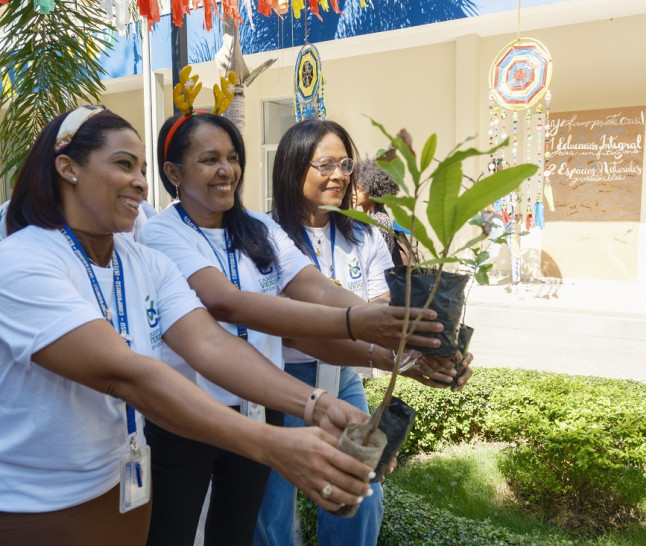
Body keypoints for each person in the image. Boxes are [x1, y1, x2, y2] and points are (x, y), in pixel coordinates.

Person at [0, 106, 376, 545]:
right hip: (31, 503)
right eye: (124, 164)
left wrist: (314, 403)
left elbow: (211, 344)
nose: (141, 181)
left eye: (141, 168)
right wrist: (271, 444)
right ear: (68, 168)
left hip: (118, 485)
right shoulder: (20, 264)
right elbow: (127, 375)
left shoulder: (142, 262)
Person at [139, 112, 446, 545]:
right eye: (209, 159)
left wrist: (395, 334)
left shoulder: (259, 229)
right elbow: (227, 302)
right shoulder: (162, 234)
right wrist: (360, 322)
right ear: (173, 172)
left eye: (232, 157)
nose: (226, 169)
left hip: (261, 403)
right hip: (190, 417)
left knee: (240, 532)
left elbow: (314, 287)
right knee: (173, 533)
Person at [256, 119, 473, 546]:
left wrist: (430, 353)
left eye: (345, 163)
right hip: (280, 381)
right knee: (272, 508)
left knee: (360, 491)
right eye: (325, 164)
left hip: (345, 381)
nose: (339, 174)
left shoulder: (365, 234)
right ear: (292, 168)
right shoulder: (264, 235)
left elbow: (380, 316)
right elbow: (288, 332)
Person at [353, 158, 399, 258]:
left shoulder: (380, 221)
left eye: (359, 189)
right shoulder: (368, 216)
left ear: (373, 191)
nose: (353, 193)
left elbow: (368, 256)